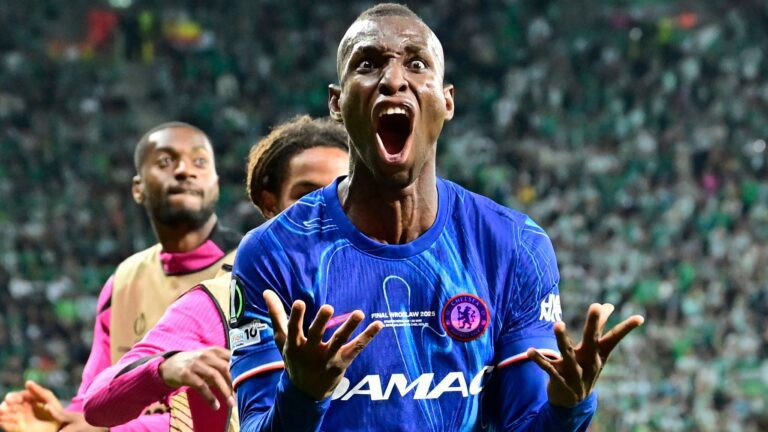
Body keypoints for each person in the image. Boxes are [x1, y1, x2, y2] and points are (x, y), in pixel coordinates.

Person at [229, 4, 645, 431]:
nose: (393, 80)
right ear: (337, 102)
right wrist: (302, 396)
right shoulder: (272, 253)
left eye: (416, 63)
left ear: (447, 101)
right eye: (368, 64)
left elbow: (526, 423)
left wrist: (568, 407)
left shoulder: (512, 245)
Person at [80, 116, 350, 431]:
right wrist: (164, 367)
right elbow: (96, 402)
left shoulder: (395, 284)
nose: (325, 210)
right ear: (270, 204)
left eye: (343, 194)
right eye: (305, 196)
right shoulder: (226, 297)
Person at [0, 122, 241, 432]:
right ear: (138, 188)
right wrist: (58, 423)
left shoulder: (249, 267)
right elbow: (92, 404)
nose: (184, 170)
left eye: (199, 161)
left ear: (216, 183)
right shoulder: (123, 281)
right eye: (166, 161)